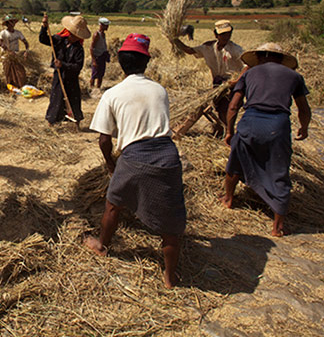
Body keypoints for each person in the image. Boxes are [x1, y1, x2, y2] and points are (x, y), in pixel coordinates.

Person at [86, 34, 186, 289]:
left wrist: (110, 163)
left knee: (113, 205)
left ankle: (102, 246)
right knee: (171, 220)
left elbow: (103, 140)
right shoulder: (159, 90)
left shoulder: (112, 94)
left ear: (120, 62)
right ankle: (170, 278)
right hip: (167, 155)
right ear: (147, 62)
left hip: (133, 157)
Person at [222, 43, 311, 238]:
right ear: (280, 58)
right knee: (279, 171)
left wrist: (229, 131)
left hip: (250, 122)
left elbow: (234, 105)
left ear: (260, 56)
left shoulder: (248, 74)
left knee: (235, 163)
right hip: (277, 126)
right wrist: (304, 127)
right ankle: (277, 227)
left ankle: (228, 199)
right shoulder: (294, 77)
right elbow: (303, 108)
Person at [172, 20, 245, 129]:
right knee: (220, 108)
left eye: (228, 33)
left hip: (233, 84)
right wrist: (174, 40)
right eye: (222, 34)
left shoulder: (236, 50)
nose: (226, 36)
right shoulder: (208, 48)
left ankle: (228, 131)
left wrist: (237, 81)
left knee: (229, 108)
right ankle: (223, 130)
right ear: (216, 34)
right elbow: (189, 50)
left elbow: (246, 65)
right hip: (218, 83)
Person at [39, 13, 90, 128]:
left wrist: (63, 64)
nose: (74, 37)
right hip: (59, 75)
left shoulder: (78, 49)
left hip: (71, 78)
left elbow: (78, 66)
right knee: (56, 98)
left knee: (73, 99)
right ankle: (52, 122)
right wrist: (44, 26)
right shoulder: (59, 40)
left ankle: (76, 123)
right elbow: (43, 39)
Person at [0, 15, 30, 88]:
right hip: (7, 55)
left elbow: (26, 43)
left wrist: (26, 51)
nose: (13, 23)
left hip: (16, 54)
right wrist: (8, 51)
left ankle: (19, 86)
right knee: (8, 73)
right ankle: (10, 87)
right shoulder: (3, 33)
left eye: (13, 21)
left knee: (21, 72)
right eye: (10, 22)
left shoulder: (18, 33)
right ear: (7, 24)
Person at [90, 17, 111, 88]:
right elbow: (91, 47)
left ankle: (98, 88)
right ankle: (91, 88)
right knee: (94, 74)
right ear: (101, 25)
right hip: (97, 57)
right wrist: (94, 61)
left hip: (102, 56)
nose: (107, 27)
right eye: (106, 25)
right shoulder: (97, 35)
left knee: (101, 74)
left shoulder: (103, 34)